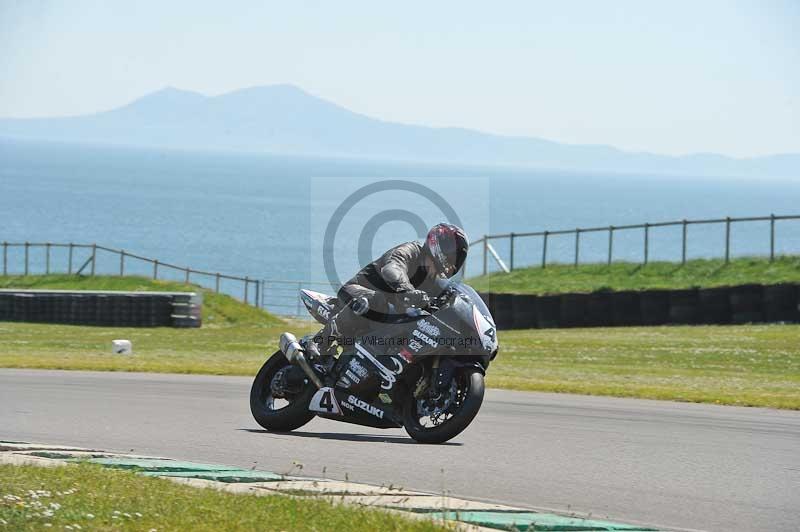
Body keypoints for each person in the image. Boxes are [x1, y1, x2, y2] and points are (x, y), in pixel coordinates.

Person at [311, 223, 469, 355]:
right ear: (438, 244)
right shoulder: (411, 251)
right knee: (376, 300)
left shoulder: (433, 281)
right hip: (355, 293)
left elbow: (447, 302)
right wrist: (408, 291)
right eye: (452, 252)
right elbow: (392, 269)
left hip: (384, 317)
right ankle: (321, 340)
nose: (454, 259)